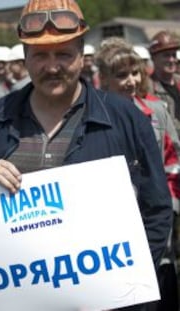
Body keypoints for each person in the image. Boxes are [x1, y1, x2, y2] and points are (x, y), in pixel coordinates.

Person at [0, 1, 173, 309]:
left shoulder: (124, 117)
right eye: (40, 55)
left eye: (64, 54)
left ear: (82, 56)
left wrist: (127, 279)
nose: (52, 66)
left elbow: (157, 208)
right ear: (26, 57)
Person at [96, 37, 180, 311]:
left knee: (162, 283)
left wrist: (171, 206)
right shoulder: (92, 115)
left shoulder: (156, 111)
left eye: (135, 73)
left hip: (156, 219)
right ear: (103, 79)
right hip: (111, 224)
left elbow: (172, 162)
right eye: (121, 76)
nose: (131, 81)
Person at [149, 31, 180, 128]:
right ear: (153, 57)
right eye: (166, 55)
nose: (171, 60)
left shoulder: (178, 81)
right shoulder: (147, 87)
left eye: (173, 55)